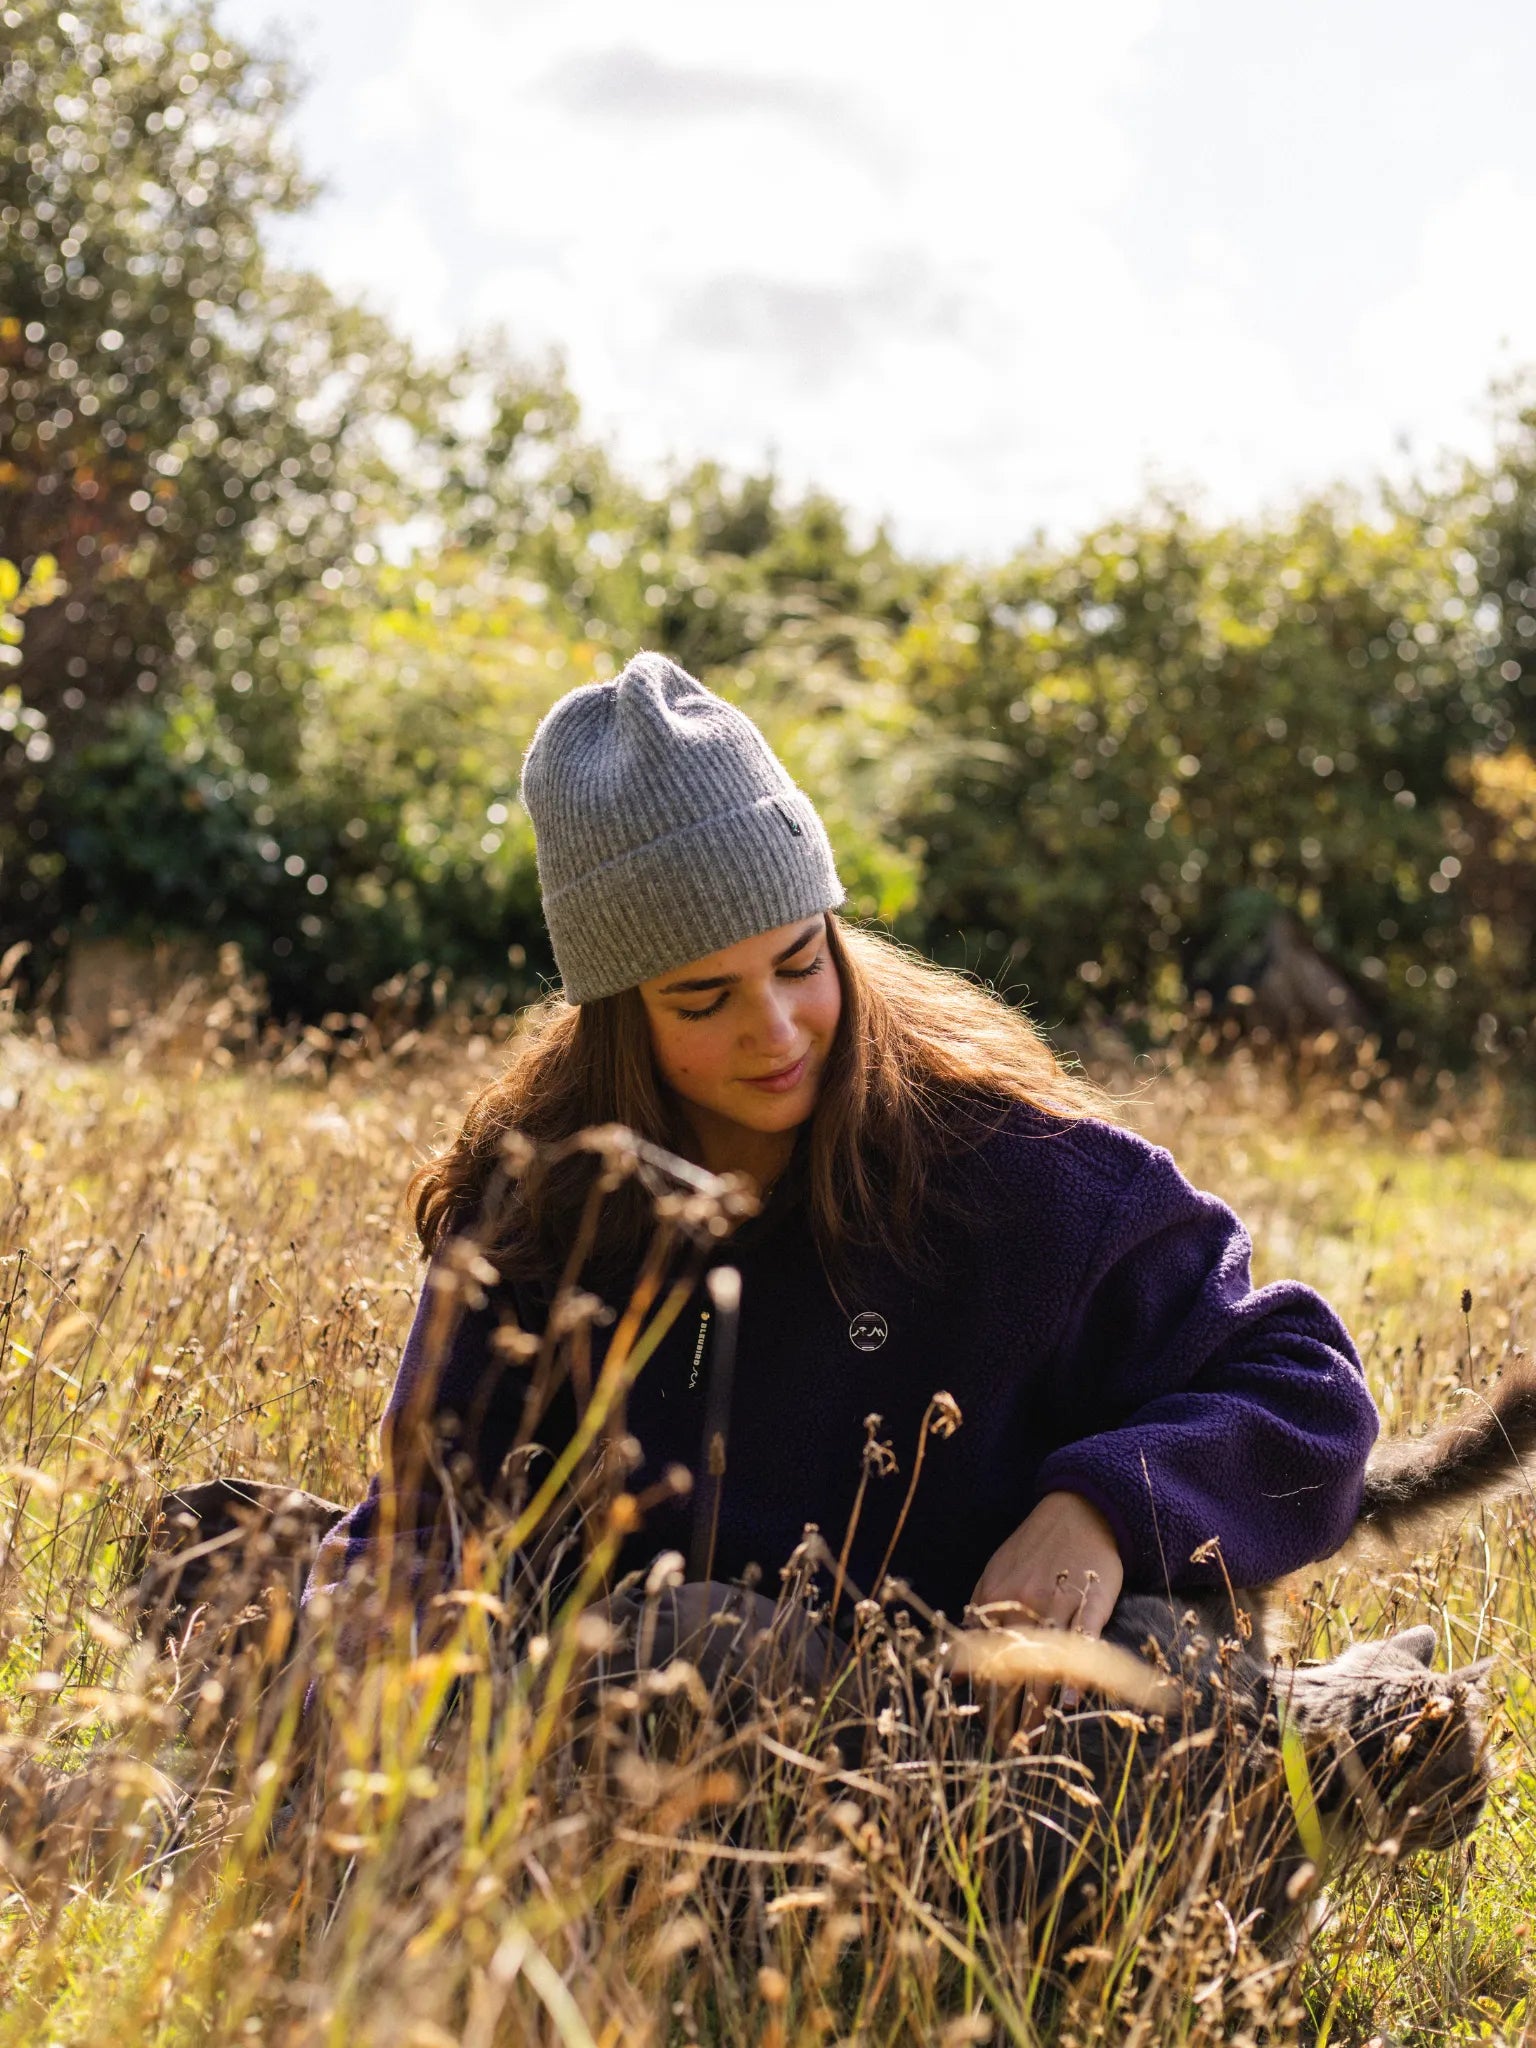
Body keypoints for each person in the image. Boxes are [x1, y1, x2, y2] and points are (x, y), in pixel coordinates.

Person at [309, 653, 1379, 1645]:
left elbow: (1307, 1392)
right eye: (703, 997)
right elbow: (424, 1516)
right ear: (619, 1020)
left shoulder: (1016, 1176)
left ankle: (1343, 1737)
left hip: (972, 1733)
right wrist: (352, 1658)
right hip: (643, 1725)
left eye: (797, 961)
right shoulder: (544, 1208)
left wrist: (1103, 1503)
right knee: (244, 1576)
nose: (774, 1029)